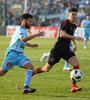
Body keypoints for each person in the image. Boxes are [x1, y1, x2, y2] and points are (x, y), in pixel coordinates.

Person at [32, 8, 84, 92]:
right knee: (46, 69)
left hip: (66, 49)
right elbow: (62, 34)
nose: (74, 16)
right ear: (68, 15)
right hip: (58, 49)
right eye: (72, 14)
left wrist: (74, 44)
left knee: (76, 64)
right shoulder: (65, 22)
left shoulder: (74, 25)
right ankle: (33, 72)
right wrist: (74, 37)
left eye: (75, 14)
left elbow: (71, 34)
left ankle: (74, 86)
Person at [0, 13, 45, 94]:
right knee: (2, 73)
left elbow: (22, 42)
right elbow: (23, 39)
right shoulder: (20, 29)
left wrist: (31, 45)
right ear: (24, 21)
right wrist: (37, 34)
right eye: (30, 21)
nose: (31, 23)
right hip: (12, 54)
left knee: (30, 67)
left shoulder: (24, 30)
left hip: (20, 56)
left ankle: (26, 87)